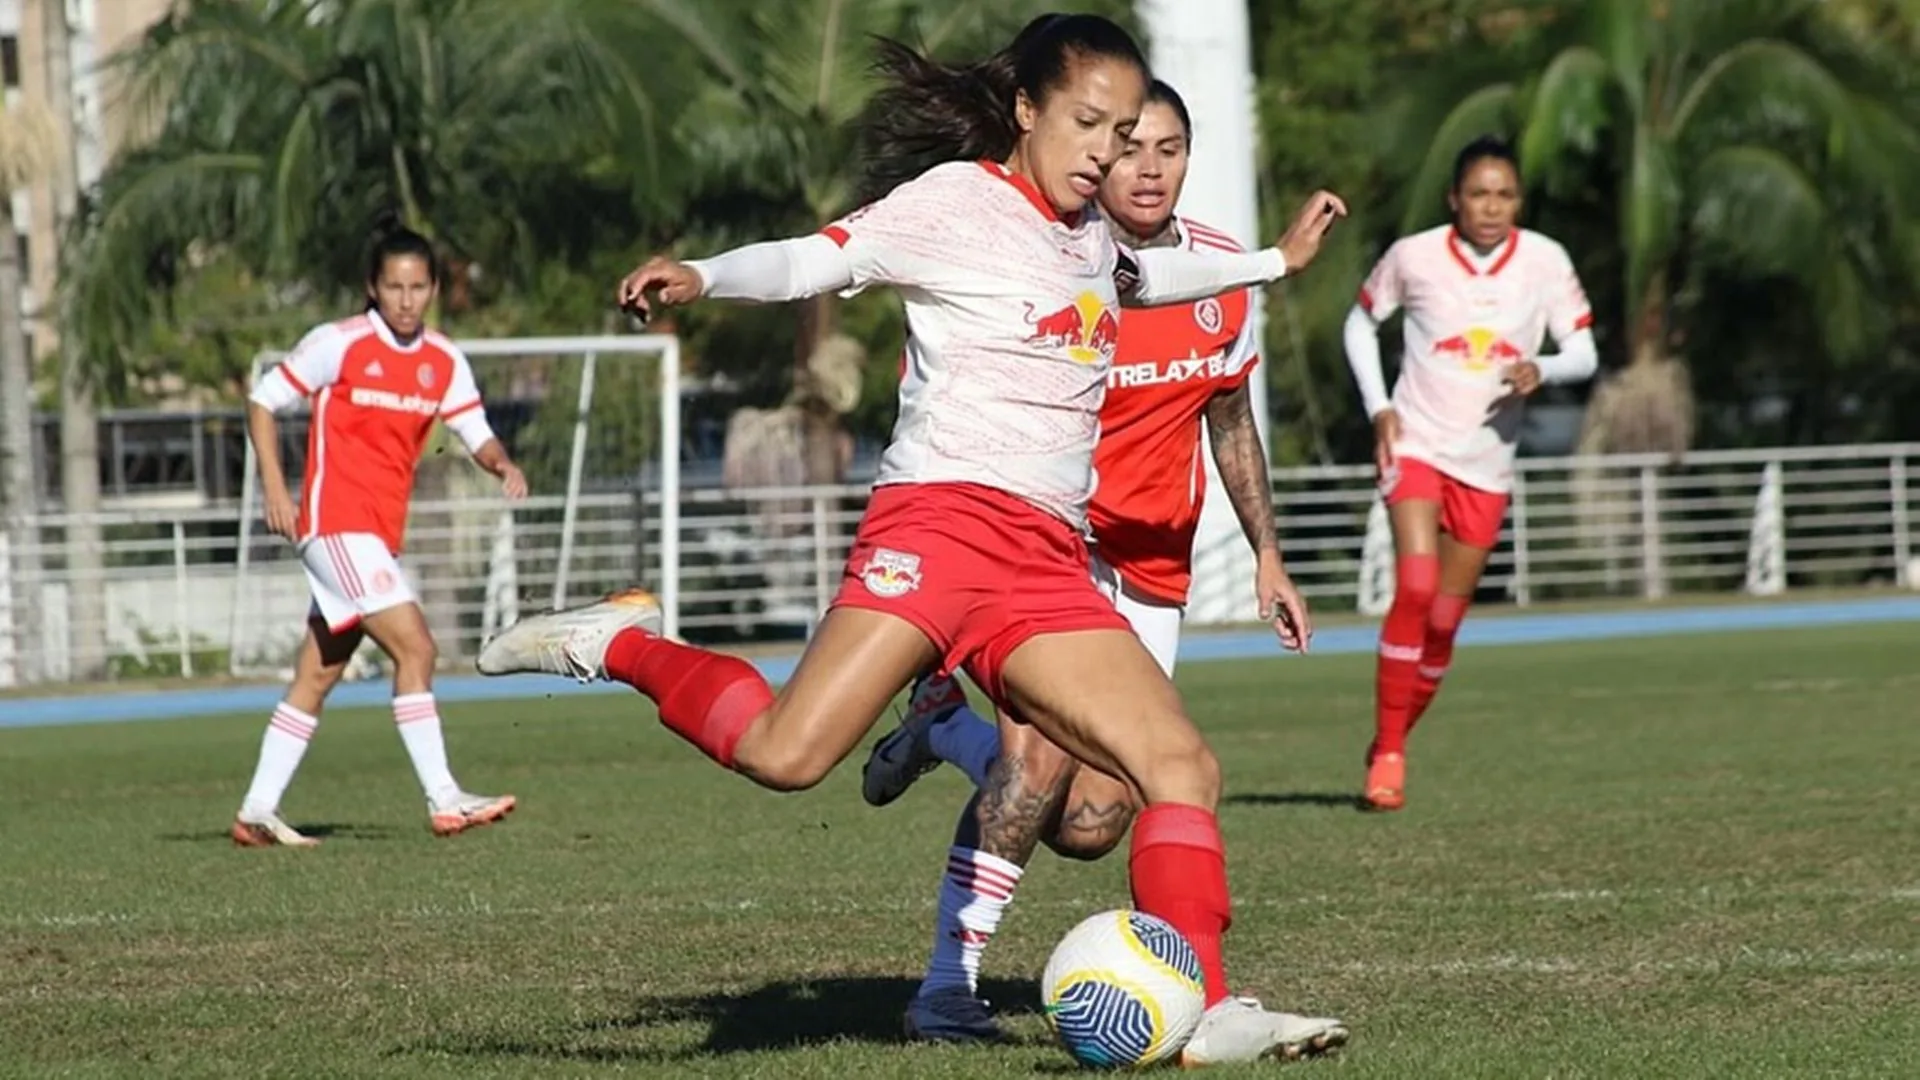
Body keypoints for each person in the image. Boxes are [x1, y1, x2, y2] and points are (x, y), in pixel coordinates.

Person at [476, 14, 1347, 1064]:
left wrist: (1271, 263)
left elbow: (1143, 282)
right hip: (937, 529)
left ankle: (1208, 1006)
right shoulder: (954, 203)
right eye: (1087, 124)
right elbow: (816, 259)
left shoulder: (1090, 234)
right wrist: (703, 274)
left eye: (1121, 134)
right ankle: (620, 643)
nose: (1107, 153)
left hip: (1044, 560)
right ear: (1025, 108)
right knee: (787, 755)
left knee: (1180, 766)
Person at [855, 79, 1317, 1045]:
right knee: (1033, 770)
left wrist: (1269, 553)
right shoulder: (1041, 261)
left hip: (1151, 570)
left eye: (1170, 150)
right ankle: (947, 988)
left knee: (1092, 819)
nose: (1148, 169)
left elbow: (1230, 418)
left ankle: (942, 730)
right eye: (1130, 147)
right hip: (1046, 551)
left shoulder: (1218, 274)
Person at [231, 220, 528, 847]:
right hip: (335, 523)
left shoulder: (443, 360)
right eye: (394, 287)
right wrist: (275, 489)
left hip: (373, 532)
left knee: (320, 673)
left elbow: (475, 430)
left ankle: (257, 810)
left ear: (433, 289)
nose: (406, 299)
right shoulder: (338, 344)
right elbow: (262, 401)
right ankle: (446, 798)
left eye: (417, 287)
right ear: (373, 287)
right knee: (417, 649)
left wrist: (502, 463)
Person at [1343, 135, 1597, 812]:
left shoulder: (1545, 261)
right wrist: (1379, 408)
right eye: (1479, 193)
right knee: (1416, 585)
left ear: (1519, 201)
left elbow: (1584, 352)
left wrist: (1544, 368)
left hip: (1487, 466)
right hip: (1416, 445)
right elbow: (1359, 325)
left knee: (1443, 626)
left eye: (1504, 195)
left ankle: (1389, 738)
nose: (1491, 206)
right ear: (1454, 198)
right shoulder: (1414, 256)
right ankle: (1390, 756)